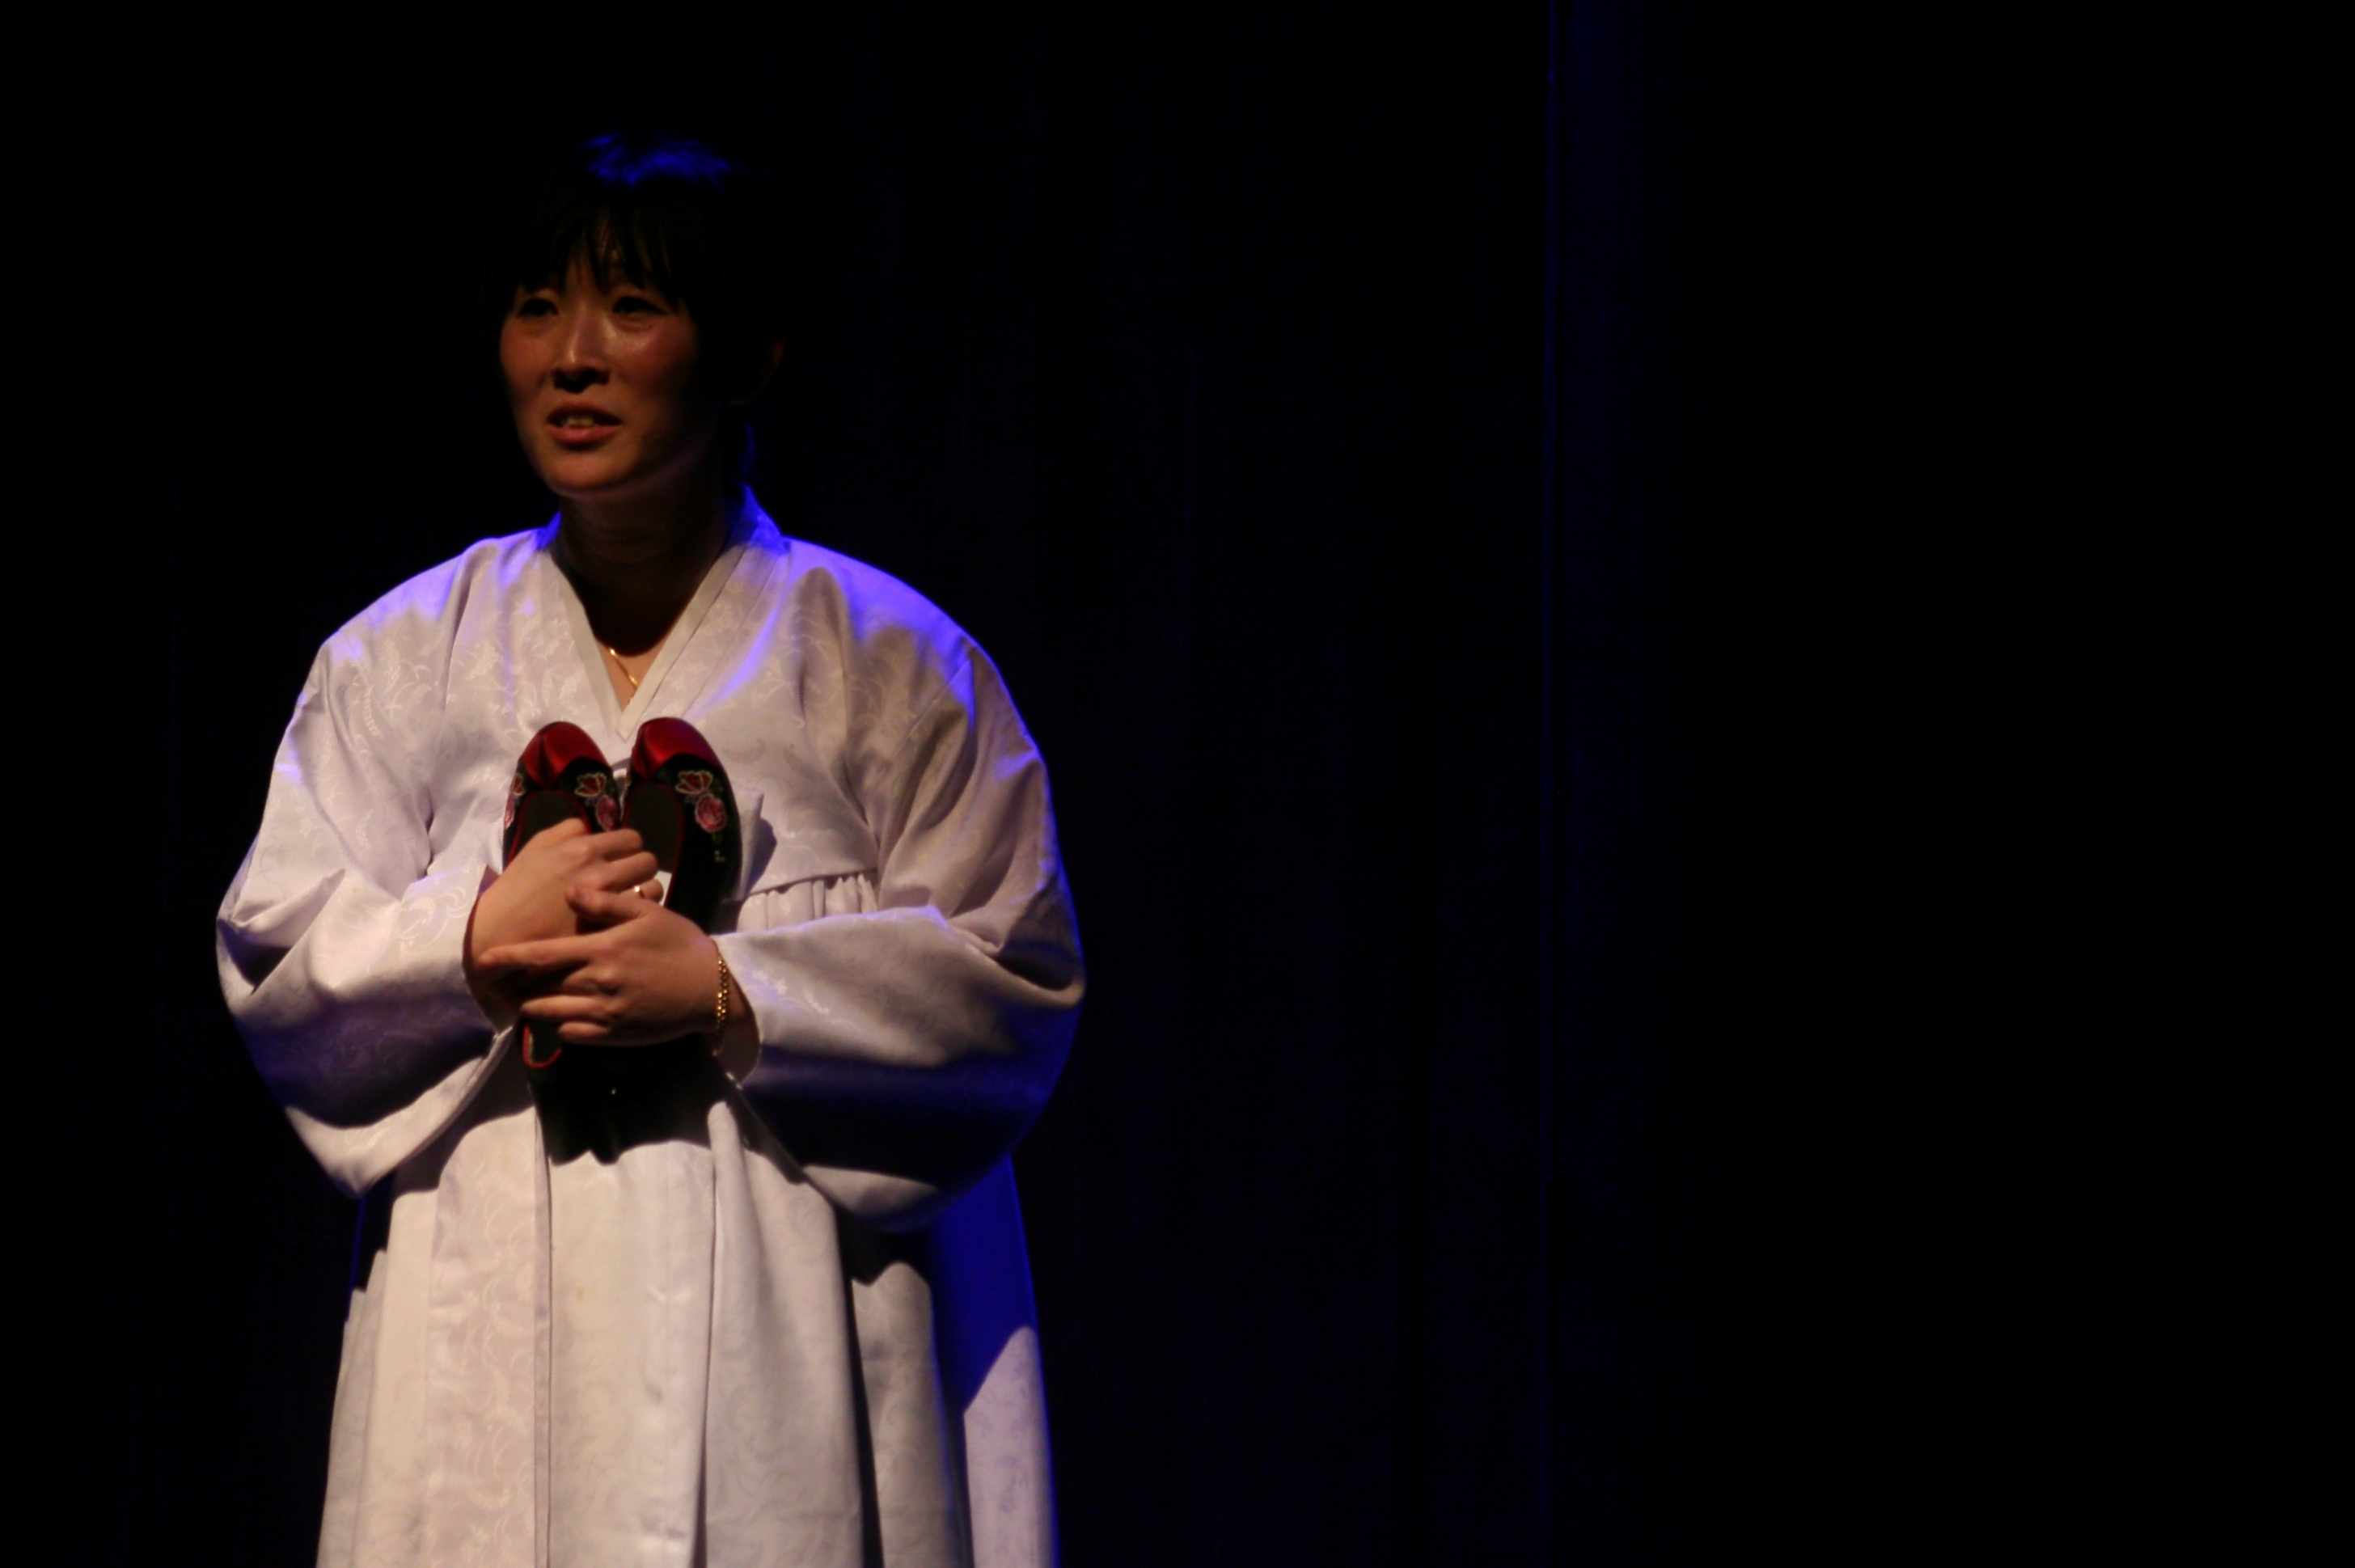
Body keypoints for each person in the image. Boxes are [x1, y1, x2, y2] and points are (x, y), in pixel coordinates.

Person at [217, 133, 1083, 1568]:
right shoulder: (402, 661)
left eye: (631, 307)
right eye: (536, 308)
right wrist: (470, 939)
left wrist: (735, 990)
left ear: (746, 354)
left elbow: (1013, 980)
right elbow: (277, 953)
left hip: (790, 1325)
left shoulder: (885, 665)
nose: (572, 358)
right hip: (490, 1308)